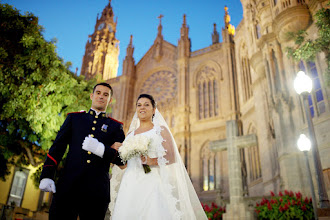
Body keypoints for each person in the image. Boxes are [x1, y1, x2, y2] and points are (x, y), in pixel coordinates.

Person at [110, 94, 207, 220]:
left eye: (146, 105)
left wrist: (151, 160)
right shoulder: (129, 134)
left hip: (151, 182)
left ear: (154, 109)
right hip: (129, 184)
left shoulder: (160, 130)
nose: (142, 108)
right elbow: (124, 164)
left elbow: (172, 156)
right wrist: (115, 150)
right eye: (139, 105)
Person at [39, 82, 124, 220]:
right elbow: (57, 149)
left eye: (106, 95)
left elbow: (122, 159)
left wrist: (101, 150)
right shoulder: (74, 118)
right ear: (92, 96)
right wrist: (47, 175)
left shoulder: (115, 126)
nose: (101, 97)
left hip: (96, 191)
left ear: (110, 100)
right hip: (68, 186)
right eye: (98, 93)